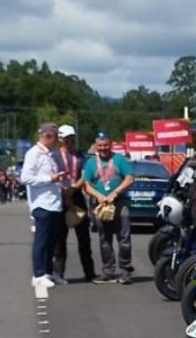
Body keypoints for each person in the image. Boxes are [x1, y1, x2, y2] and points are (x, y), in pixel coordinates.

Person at [79, 132, 135, 284]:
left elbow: (130, 178)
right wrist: (99, 196)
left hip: (119, 203)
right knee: (105, 239)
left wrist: (115, 193)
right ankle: (108, 271)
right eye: (100, 146)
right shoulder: (91, 162)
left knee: (124, 238)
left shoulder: (119, 159)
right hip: (101, 205)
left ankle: (125, 270)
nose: (103, 149)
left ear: (110, 145)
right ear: (96, 146)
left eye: (105, 145)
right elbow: (87, 184)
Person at [20, 123, 67, 288]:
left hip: (54, 203)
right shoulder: (34, 154)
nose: (56, 140)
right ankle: (38, 274)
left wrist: (58, 179)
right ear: (47, 136)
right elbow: (25, 178)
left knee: (51, 242)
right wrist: (49, 179)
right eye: (54, 136)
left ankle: (48, 272)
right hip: (42, 204)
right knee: (41, 240)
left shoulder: (51, 154)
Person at [52, 124, 95, 283]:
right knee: (60, 238)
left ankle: (89, 273)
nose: (71, 141)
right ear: (61, 139)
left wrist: (75, 187)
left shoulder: (80, 156)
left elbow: (85, 175)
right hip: (60, 197)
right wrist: (64, 191)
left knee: (84, 237)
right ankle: (58, 273)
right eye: (68, 138)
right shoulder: (54, 156)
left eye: (73, 138)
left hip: (76, 195)